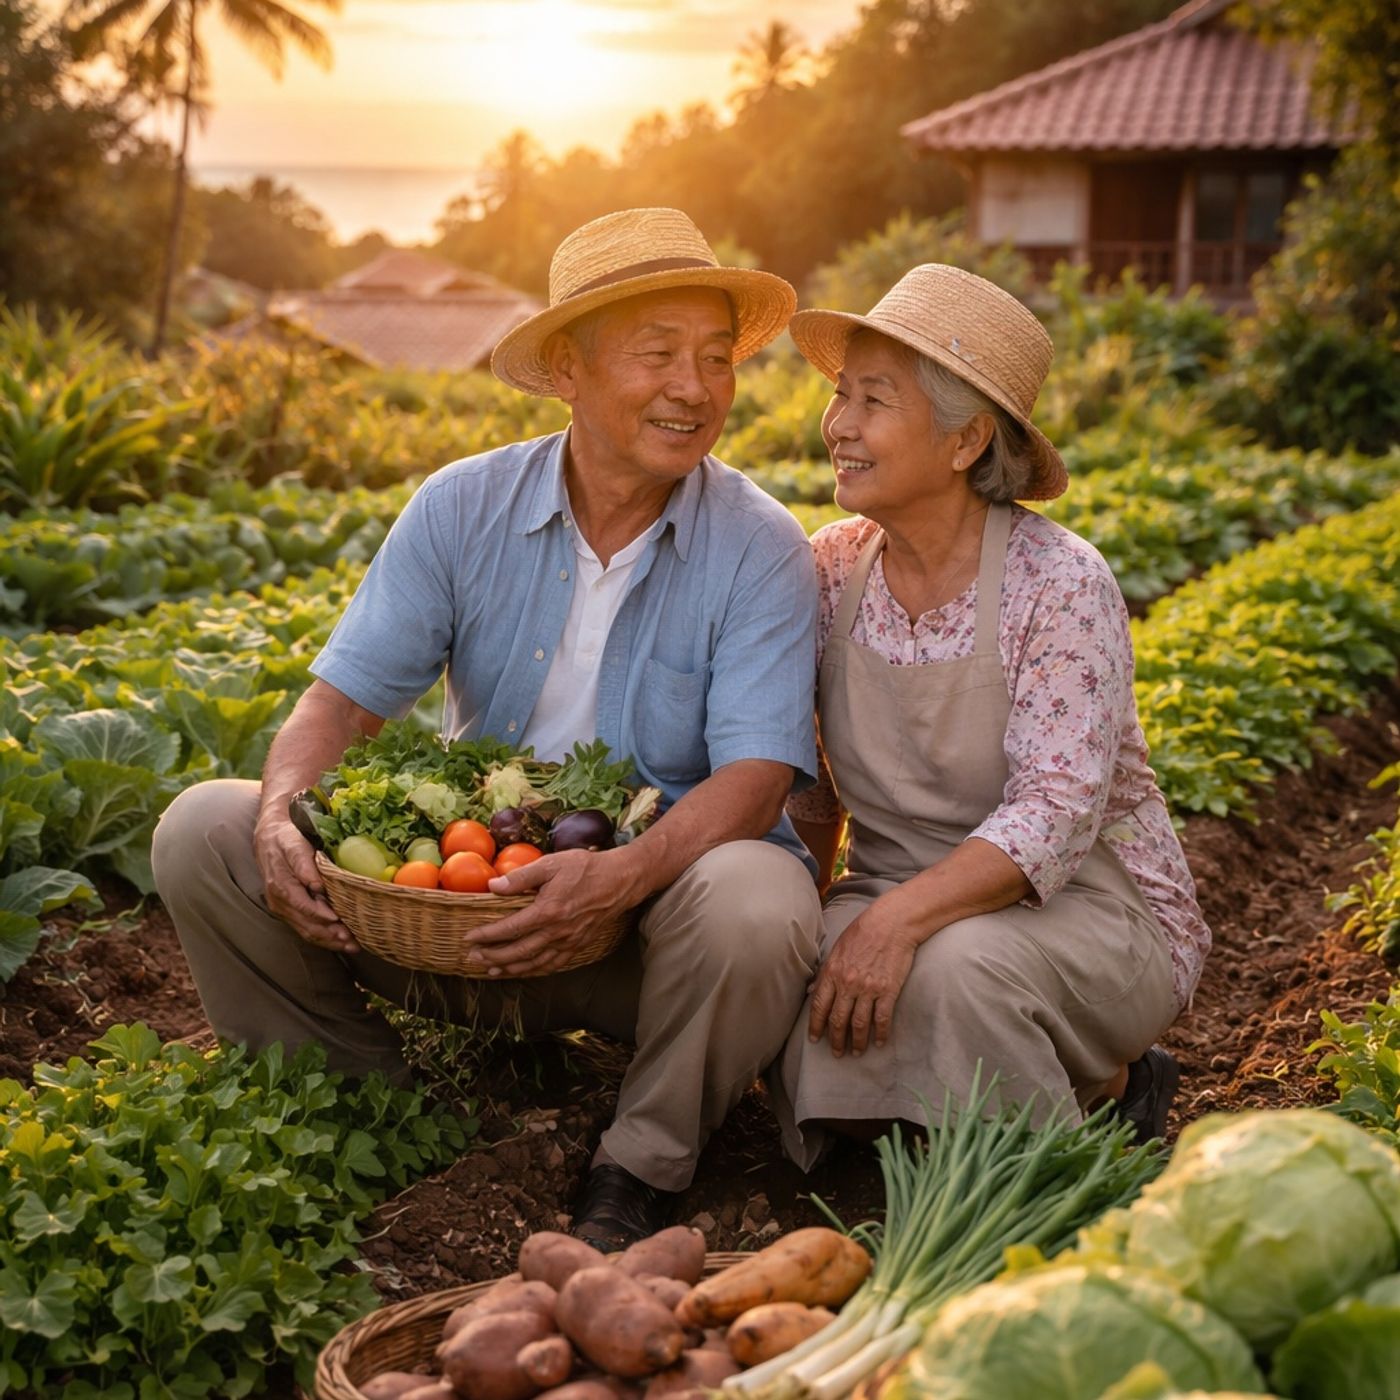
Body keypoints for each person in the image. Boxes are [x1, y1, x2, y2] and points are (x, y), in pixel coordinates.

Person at [152, 207, 824, 1249]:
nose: (695, 388)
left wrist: (622, 874)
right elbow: (339, 702)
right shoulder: (459, 506)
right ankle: (372, 1102)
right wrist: (285, 816)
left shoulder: (760, 545)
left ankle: (638, 1166)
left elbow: (758, 774)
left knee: (756, 895)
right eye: (658, 354)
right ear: (566, 365)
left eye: (715, 359)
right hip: (455, 912)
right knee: (206, 828)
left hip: (642, 944)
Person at [768, 264, 1211, 1168]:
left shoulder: (1061, 582)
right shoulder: (830, 568)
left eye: (874, 400)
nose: (838, 426)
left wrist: (894, 926)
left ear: (967, 438)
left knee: (959, 968)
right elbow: (810, 785)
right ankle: (934, 1128)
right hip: (895, 886)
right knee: (783, 965)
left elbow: (1055, 815)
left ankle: (1095, 1121)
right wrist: (810, 916)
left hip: (1087, 906)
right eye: (841, 395)